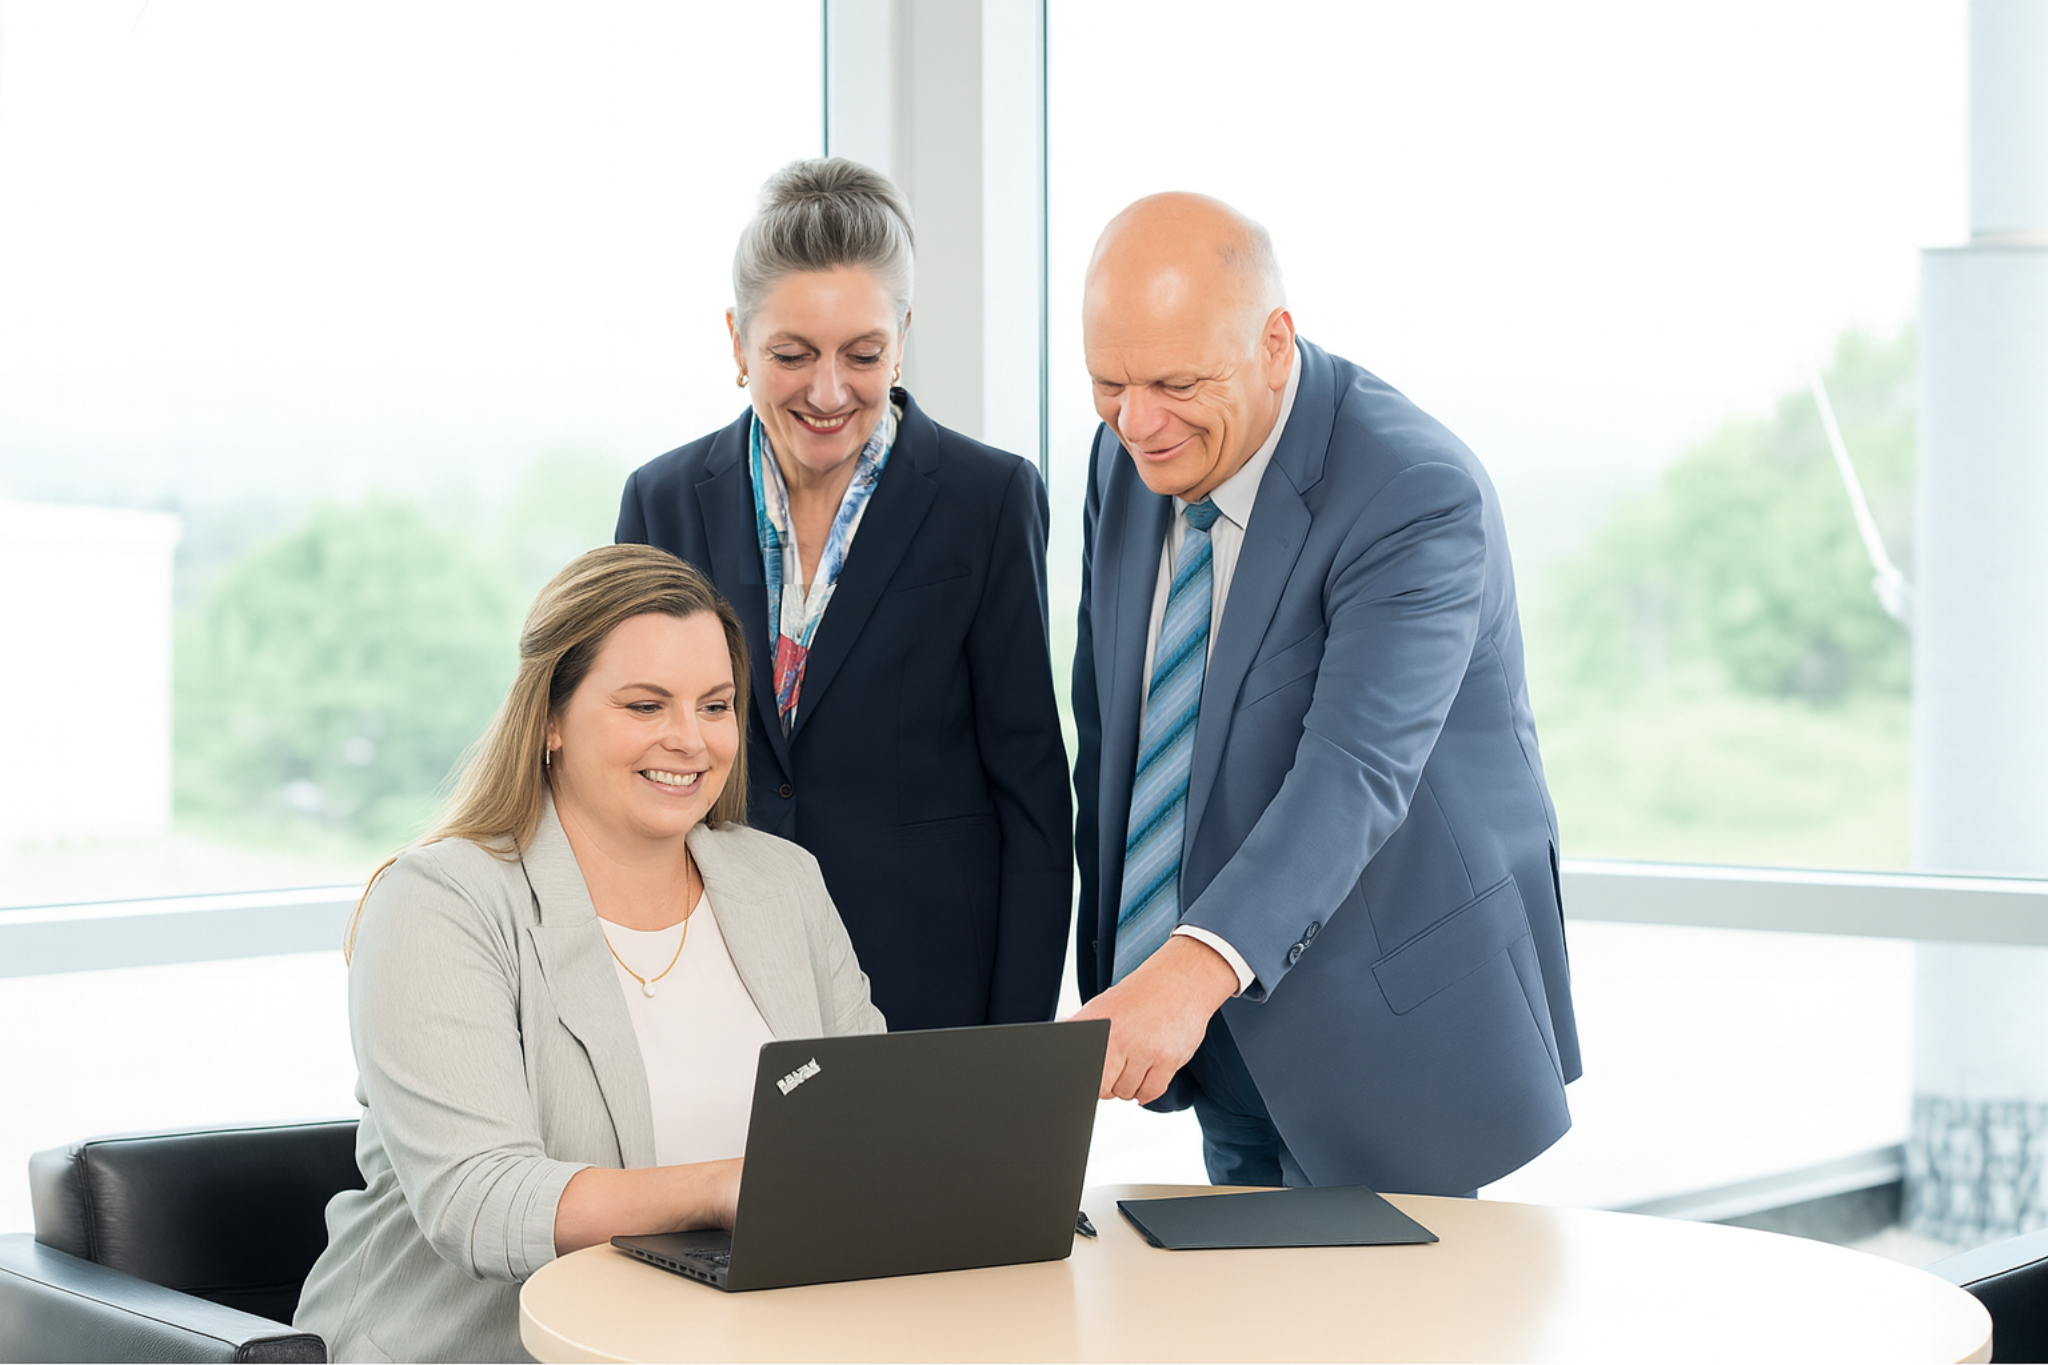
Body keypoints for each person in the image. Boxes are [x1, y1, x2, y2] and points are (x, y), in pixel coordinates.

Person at [1069, 193, 1580, 1197]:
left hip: (1389, 1035)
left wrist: (1186, 971)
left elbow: (1353, 771)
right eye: (1107, 383)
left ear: (1272, 344)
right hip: (1222, 1040)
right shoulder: (1126, 456)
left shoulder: (1411, 490)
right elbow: (1115, 729)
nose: (1138, 421)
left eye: (1174, 381)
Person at [295, 545, 884, 1363]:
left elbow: (871, 1124)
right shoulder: (441, 902)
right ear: (551, 718)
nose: (691, 739)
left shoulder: (781, 881)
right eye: (646, 706)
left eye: (715, 706)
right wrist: (724, 1186)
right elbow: (480, 1199)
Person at [618, 157, 1071, 1032]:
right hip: (710, 975)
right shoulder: (662, 498)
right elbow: (625, 755)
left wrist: (1017, 1048)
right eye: (791, 354)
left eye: (863, 355)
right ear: (736, 342)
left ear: (902, 334)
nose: (829, 392)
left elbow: (1033, 796)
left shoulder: (988, 498)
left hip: (929, 986)